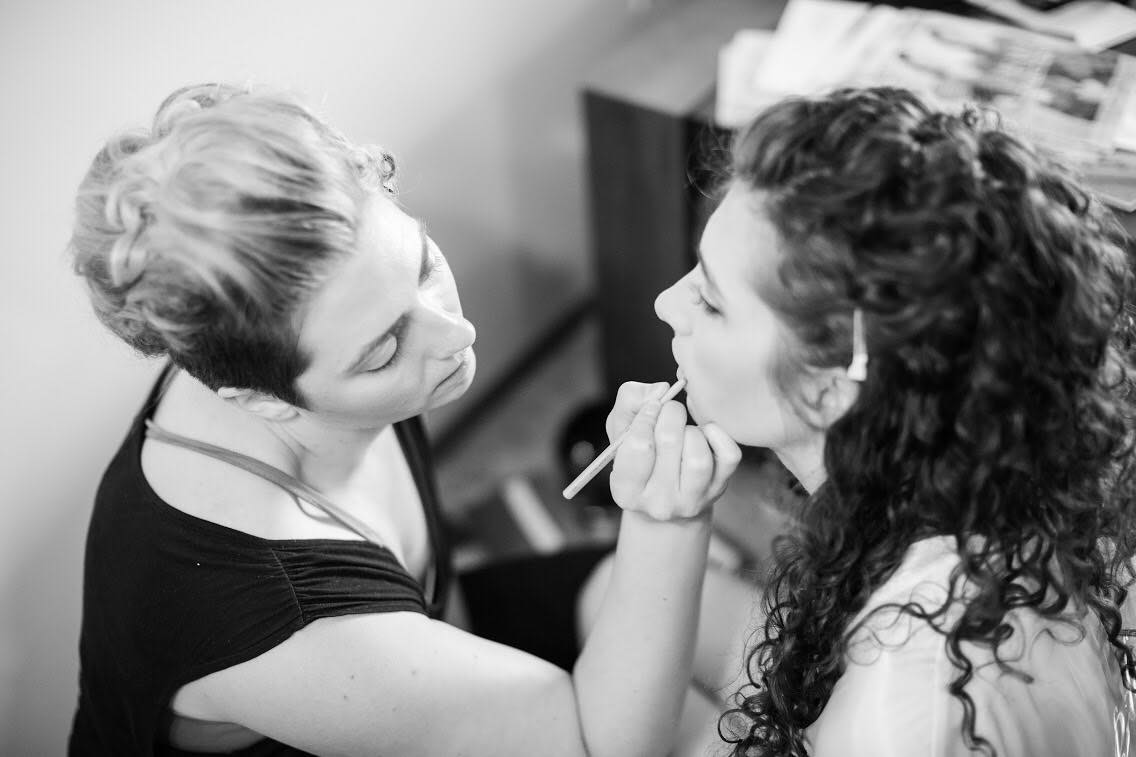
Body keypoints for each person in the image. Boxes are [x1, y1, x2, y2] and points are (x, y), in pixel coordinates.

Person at [67, 82, 742, 757]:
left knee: (730, 620)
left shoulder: (289, 319)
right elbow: (601, 747)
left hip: (431, 623)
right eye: (384, 349)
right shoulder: (289, 622)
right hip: (374, 683)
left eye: (420, 265)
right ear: (262, 399)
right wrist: (667, 519)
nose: (453, 333)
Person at [643, 86, 1136, 755]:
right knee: (606, 598)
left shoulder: (897, 714)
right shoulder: (1005, 475)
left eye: (712, 299)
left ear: (826, 390)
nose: (666, 303)